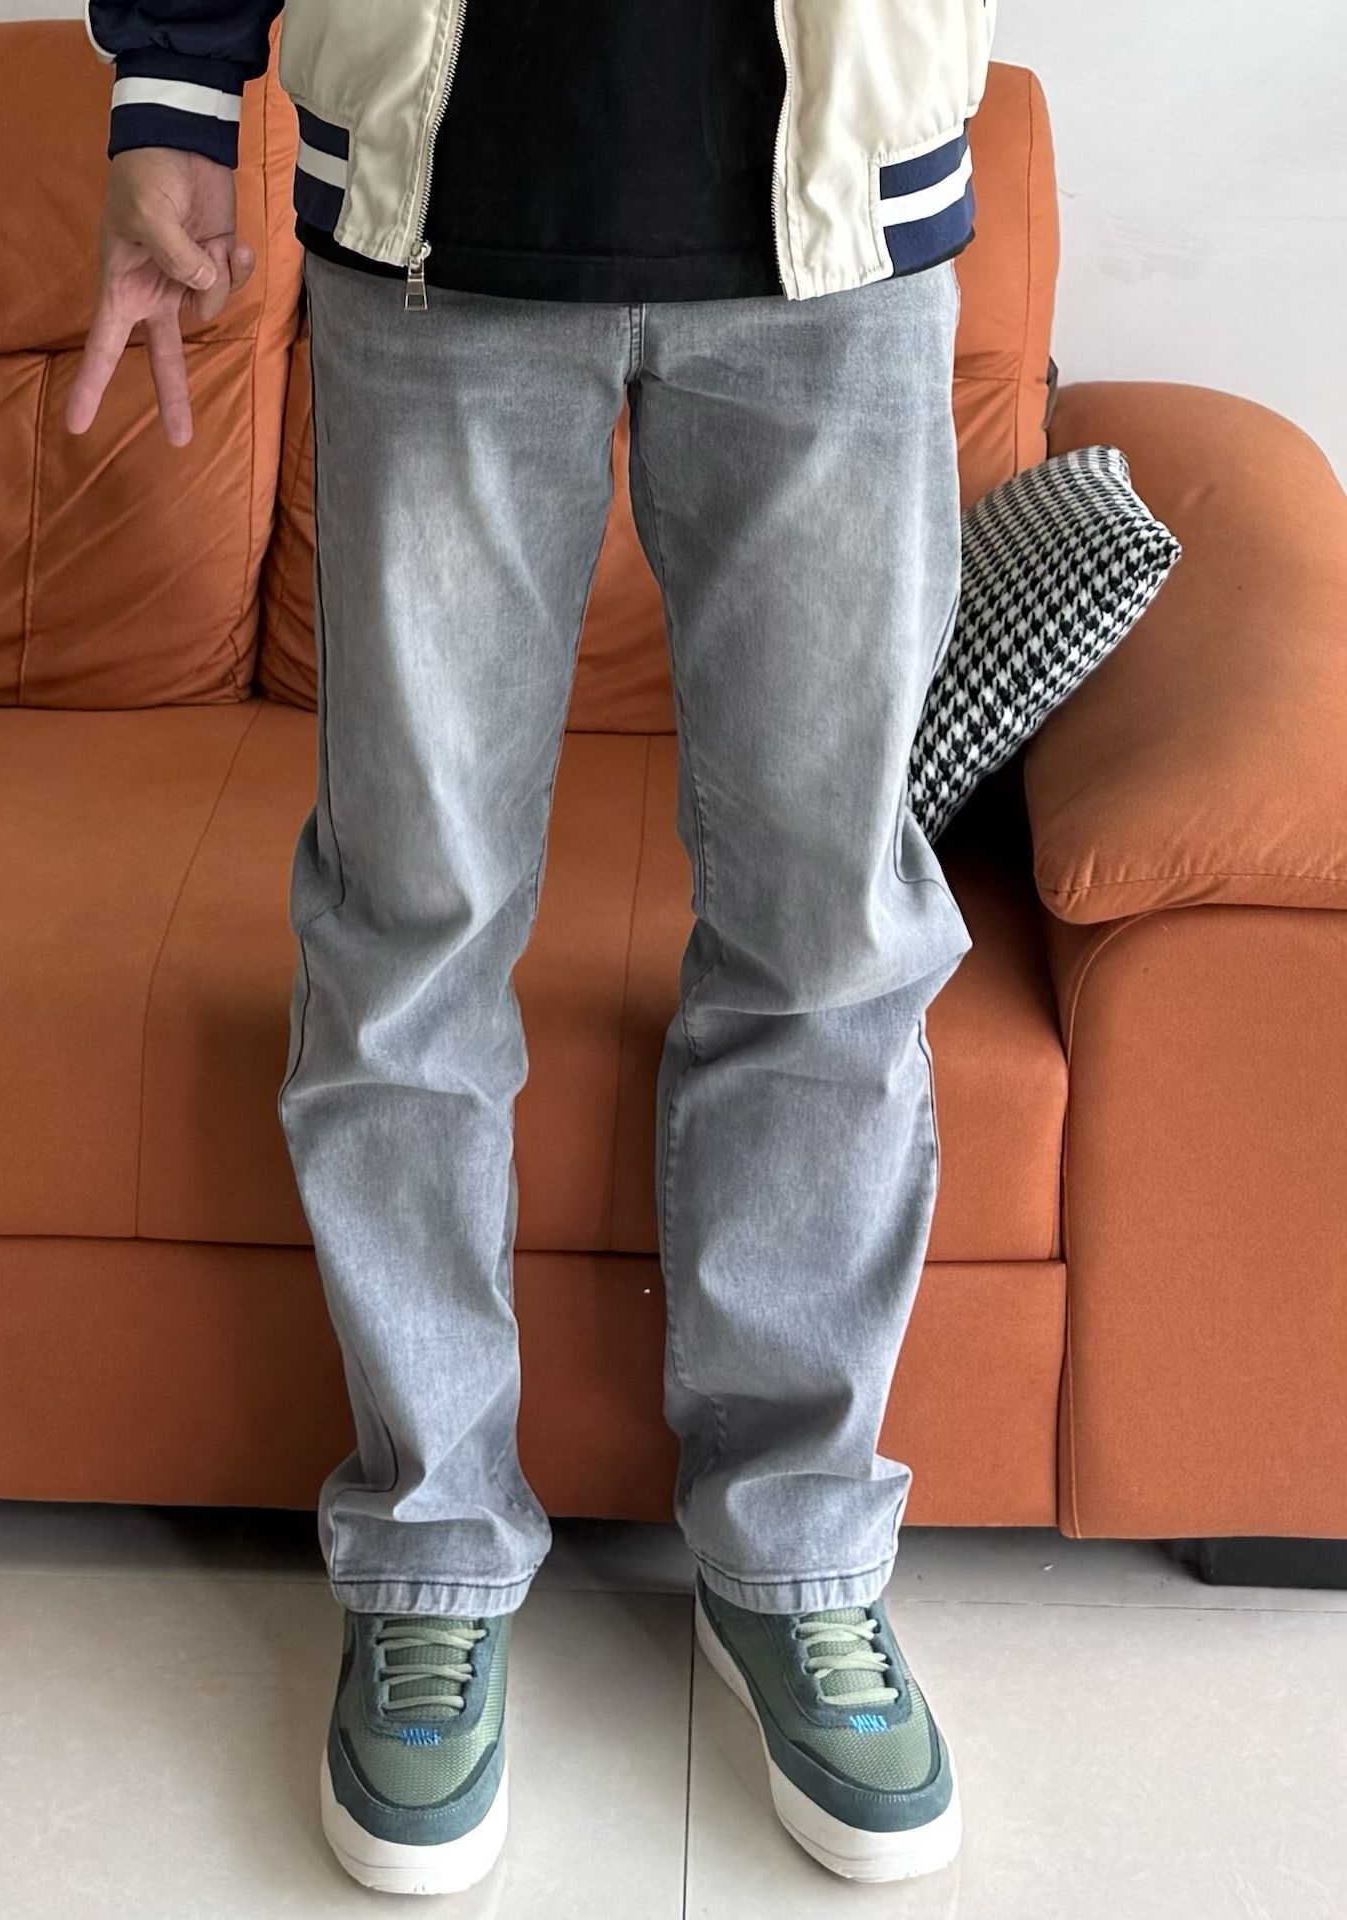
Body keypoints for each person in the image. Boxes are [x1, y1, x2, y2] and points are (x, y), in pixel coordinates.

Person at [68, 0, 992, 1895]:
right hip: (441, 228)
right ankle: (428, 1551)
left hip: (837, 235)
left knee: (831, 944)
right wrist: (170, 87)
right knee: (408, 939)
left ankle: (799, 1552)